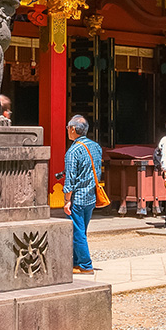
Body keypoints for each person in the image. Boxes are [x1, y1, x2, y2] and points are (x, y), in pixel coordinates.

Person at [62, 114, 102, 272]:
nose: (67, 131)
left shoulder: (73, 151)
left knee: (77, 231)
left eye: (67, 128)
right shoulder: (95, 146)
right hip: (91, 196)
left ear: (72, 129)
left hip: (77, 197)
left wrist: (67, 200)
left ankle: (85, 265)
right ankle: (76, 262)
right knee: (81, 230)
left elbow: (70, 179)